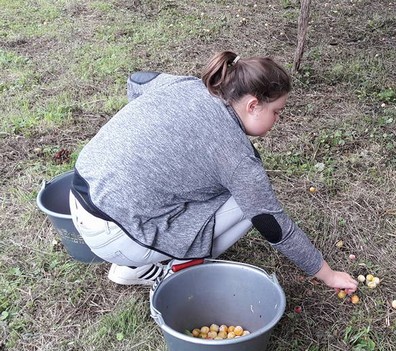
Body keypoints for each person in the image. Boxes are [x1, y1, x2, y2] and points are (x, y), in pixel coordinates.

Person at [68, 51, 358, 295]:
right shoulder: (236, 158)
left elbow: (139, 80)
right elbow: (273, 224)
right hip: (114, 233)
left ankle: (135, 263)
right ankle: (174, 269)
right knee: (250, 204)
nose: (279, 120)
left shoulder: (186, 85)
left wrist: (147, 138)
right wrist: (328, 274)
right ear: (253, 105)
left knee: (221, 187)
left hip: (80, 192)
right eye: (277, 112)